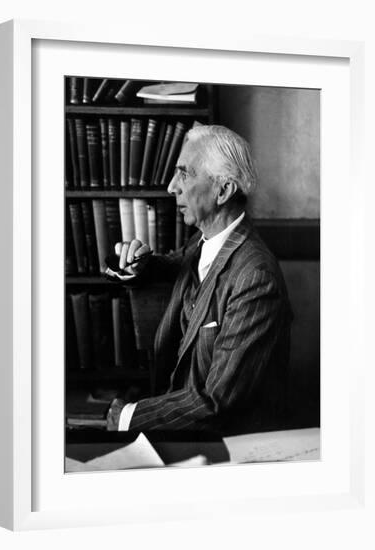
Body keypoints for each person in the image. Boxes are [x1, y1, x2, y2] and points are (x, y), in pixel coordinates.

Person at [107, 125, 292, 434]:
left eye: (185, 174)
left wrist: (129, 417)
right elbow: (172, 265)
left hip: (229, 446)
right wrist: (135, 261)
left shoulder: (256, 279)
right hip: (185, 426)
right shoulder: (203, 241)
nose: (170, 187)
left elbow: (218, 401)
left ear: (223, 190)